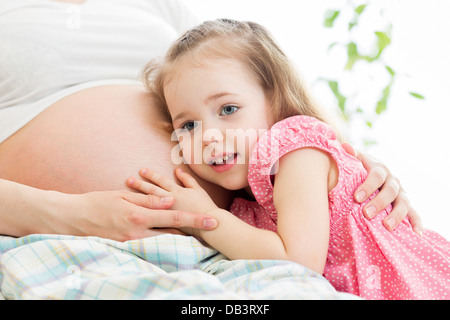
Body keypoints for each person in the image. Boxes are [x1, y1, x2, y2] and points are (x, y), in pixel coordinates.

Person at [0, 0, 420, 241]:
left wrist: (344, 164)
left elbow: (243, 81)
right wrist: (61, 212)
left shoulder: (158, 4)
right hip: (59, 233)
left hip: (233, 242)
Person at [130, 19, 450, 299]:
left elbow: (298, 262)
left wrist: (203, 218)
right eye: (188, 125)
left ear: (275, 99)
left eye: (228, 109)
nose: (208, 136)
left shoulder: (298, 152)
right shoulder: (249, 207)